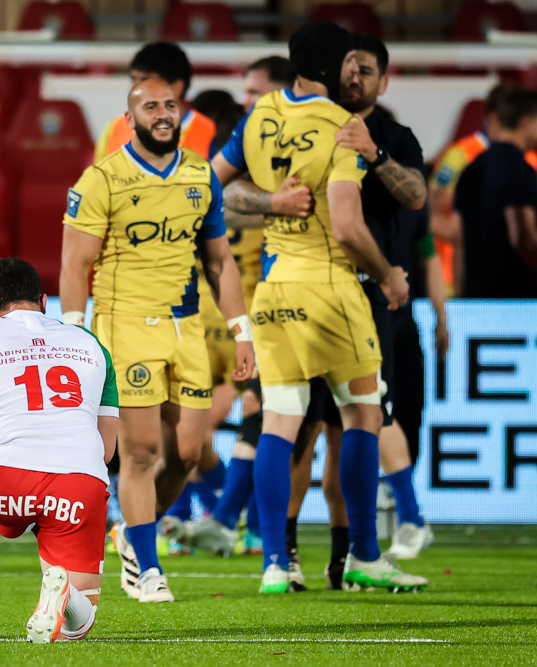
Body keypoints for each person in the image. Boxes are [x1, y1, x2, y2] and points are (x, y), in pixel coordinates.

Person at [210, 21, 427, 594]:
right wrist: (390, 276)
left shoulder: (260, 116)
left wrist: (269, 203)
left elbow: (211, 186)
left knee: (278, 424)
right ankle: (363, 553)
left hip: (274, 288)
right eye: (349, 65)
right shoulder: (339, 125)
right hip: (334, 287)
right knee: (363, 415)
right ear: (334, 70)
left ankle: (275, 564)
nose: (355, 76)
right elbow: (350, 226)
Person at [61, 78, 256, 602]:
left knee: (190, 453)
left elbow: (219, 262)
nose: (163, 114)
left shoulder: (200, 175)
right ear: (131, 119)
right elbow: (76, 264)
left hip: (187, 327)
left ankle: (132, 533)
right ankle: (147, 568)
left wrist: (242, 332)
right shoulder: (101, 179)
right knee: (142, 451)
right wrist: (76, 334)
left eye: (170, 105)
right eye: (151, 107)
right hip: (126, 325)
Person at [281, 35, 437, 590]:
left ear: (383, 81)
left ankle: (347, 557)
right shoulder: (305, 127)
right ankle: (286, 554)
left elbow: (417, 196)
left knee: (358, 428)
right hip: (309, 294)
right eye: (347, 67)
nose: (354, 77)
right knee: (299, 429)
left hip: (371, 302)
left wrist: (373, 153)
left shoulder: (394, 138)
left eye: (365, 70)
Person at [0, 258, 118, 643]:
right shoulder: (91, 343)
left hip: (5, 479)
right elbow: (106, 450)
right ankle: (64, 594)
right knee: (79, 625)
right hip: (79, 485)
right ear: (45, 302)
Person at [178, 56, 300, 557]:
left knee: (267, 411)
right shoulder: (219, 174)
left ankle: (231, 520)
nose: (249, 103)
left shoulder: (284, 159)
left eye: (256, 93)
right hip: (215, 315)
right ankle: (220, 516)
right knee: (199, 429)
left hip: (261, 311)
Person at [428, 83, 537, 295]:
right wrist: (471, 238)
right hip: (458, 281)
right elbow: (432, 216)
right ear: (493, 116)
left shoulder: (531, 159)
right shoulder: (460, 155)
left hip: (514, 283)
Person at [454, 87, 537, 298]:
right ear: (526, 124)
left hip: (475, 297)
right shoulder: (521, 169)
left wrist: (460, 297)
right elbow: (522, 237)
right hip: (513, 298)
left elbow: (458, 238)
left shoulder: (471, 168)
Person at [94, 41, 216, 163]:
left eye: (144, 80)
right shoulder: (114, 128)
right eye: (133, 79)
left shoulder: (210, 132)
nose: (135, 89)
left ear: (176, 88)